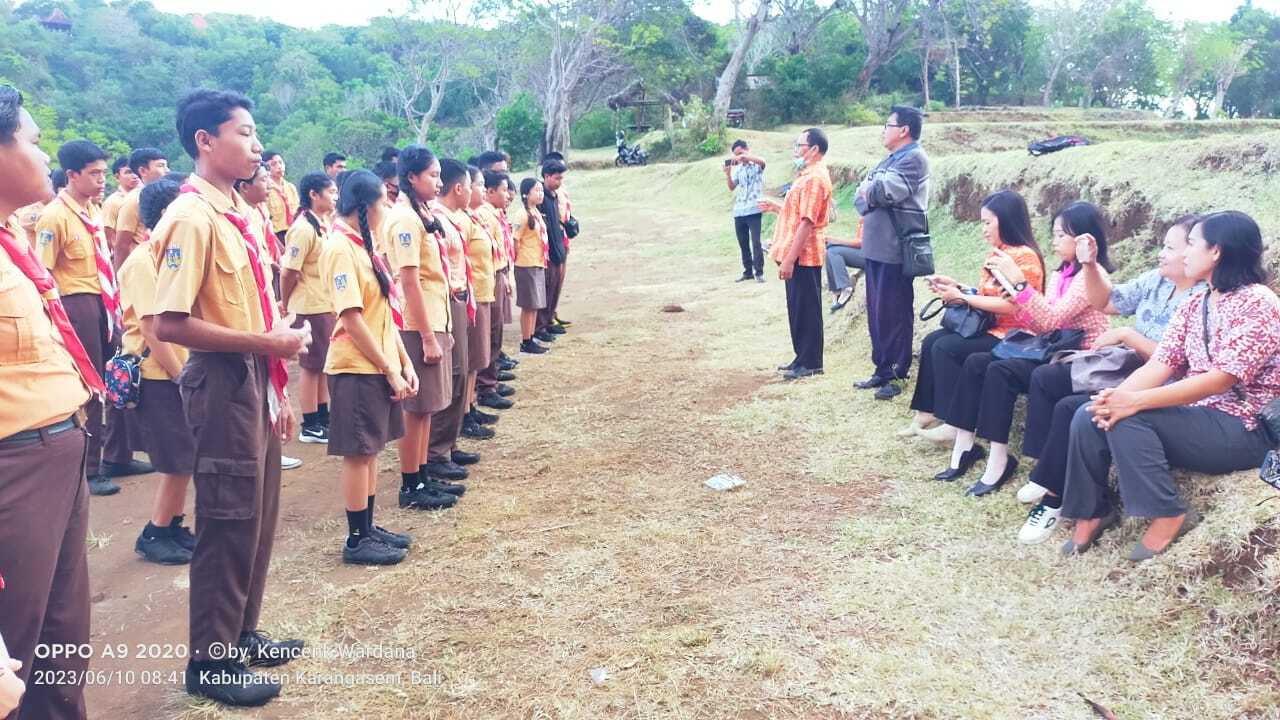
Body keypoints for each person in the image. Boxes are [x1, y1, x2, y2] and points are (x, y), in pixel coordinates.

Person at [153, 89, 308, 707]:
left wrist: (274, 375)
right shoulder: (190, 219)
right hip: (221, 382)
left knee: (259, 513)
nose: (255, 144)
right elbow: (168, 322)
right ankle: (210, 662)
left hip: (252, 379)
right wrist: (266, 342)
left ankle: (241, 633)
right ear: (204, 141)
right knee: (227, 518)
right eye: (244, 132)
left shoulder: (232, 213)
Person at [1061, 211, 1280, 561]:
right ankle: (1091, 512)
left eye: (1191, 244)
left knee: (1133, 417)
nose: (1184, 253)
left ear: (1217, 252)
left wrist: (1134, 403)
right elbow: (1164, 362)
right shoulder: (1197, 300)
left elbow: (1220, 379)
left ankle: (1168, 512)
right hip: (1201, 416)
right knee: (1089, 413)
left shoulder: (1259, 303)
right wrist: (1117, 397)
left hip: (1245, 427)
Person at [0, 82, 102, 720]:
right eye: (33, 142)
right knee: (13, 647)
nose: (44, 159)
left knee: (62, 640)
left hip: (60, 449)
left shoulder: (10, 240)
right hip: (14, 467)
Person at [1014, 214, 1205, 544]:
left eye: (1170, 247)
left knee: (1073, 409)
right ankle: (1046, 472)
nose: (1161, 253)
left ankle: (1059, 499)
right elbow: (1106, 300)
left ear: (1198, 252)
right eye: (1163, 245)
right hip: (1129, 366)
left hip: (1160, 381)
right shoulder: (1157, 281)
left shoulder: (1202, 298)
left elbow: (1176, 364)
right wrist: (1089, 266)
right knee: (1047, 377)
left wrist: (1129, 335)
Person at [939, 201, 1112, 494]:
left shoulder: (1089, 278)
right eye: (1054, 234)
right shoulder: (1061, 274)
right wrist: (1006, 290)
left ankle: (1009, 463)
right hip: (1051, 349)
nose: (1054, 242)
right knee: (980, 363)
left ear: (1085, 240)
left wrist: (1019, 285)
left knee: (1000, 369)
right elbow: (1042, 318)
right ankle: (973, 448)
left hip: (1077, 358)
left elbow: (1051, 319)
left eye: (1061, 235)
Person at [36, 139, 153, 496]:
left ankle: (118, 454)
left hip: (105, 301)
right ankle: (90, 467)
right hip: (78, 305)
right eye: (94, 174)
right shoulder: (55, 216)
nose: (102, 180)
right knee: (92, 384)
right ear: (71, 175)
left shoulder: (94, 210)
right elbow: (43, 272)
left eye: (104, 173)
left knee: (119, 374)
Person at [321, 169, 418, 565]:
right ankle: (356, 538)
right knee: (359, 452)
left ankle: (369, 525)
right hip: (355, 366)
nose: (388, 207)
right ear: (363, 205)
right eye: (383, 200)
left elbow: (382, 316)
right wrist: (388, 368)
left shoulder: (363, 246)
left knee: (373, 448)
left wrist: (403, 361)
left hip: (376, 363)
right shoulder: (340, 249)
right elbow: (352, 318)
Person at [905, 190, 1046, 443]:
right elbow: (986, 294)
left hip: (1013, 336)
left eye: (987, 222)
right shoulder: (997, 254)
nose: (983, 229)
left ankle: (953, 421)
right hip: (990, 328)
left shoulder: (1025, 257)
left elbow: (1012, 307)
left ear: (1007, 220)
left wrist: (963, 298)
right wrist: (957, 287)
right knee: (931, 341)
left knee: (947, 347)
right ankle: (927, 412)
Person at [115, 178, 200, 565]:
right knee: (176, 457)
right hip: (158, 373)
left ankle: (173, 525)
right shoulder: (142, 261)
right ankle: (155, 531)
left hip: (173, 369)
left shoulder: (166, 256)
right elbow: (151, 327)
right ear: (167, 214)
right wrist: (182, 376)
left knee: (184, 454)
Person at [384, 144, 464, 509]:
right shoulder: (403, 220)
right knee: (416, 409)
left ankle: (422, 476)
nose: (438, 181)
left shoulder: (421, 214)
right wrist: (429, 337)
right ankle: (411, 484)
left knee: (428, 405)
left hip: (435, 316)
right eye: (432, 175)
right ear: (412, 178)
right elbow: (410, 281)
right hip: (419, 325)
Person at [854, 105, 930, 400]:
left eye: (887, 125)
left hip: (895, 249)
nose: (883, 131)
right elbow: (861, 197)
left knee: (894, 311)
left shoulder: (914, 159)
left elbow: (885, 192)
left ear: (903, 130)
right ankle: (881, 369)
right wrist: (870, 190)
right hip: (876, 248)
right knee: (877, 311)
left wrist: (870, 189)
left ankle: (896, 373)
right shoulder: (890, 160)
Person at [757, 127, 833, 381]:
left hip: (805, 256)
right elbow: (798, 214)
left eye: (800, 145)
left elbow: (808, 222)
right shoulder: (806, 175)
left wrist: (790, 258)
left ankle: (811, 362)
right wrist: (777, 207)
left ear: (813, 149)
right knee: (798, 308)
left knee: (807, 308)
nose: (796, 150)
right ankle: (802, 357)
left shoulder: (814, 179)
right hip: (798, 253)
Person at [427, 159, 488, 471]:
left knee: (461, 373)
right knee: (452, 374)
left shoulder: (452, 217)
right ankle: (437, 452)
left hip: (461, 296)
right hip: (448, 299)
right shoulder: (436, 218)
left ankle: (447, 445)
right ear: (460, 187)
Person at [282, 172, 338, 444]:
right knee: (311, 365)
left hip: (323, 302)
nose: (335, 197)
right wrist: (286, 301)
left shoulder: (322, 224)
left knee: (323, 362)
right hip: (308, 304)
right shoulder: (303, 229)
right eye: (330, 192)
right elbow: (289, 271)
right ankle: (310, 423)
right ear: (314, 195)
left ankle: (324, 416)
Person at [463, 166, 511, 429]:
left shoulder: (474, 217)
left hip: (486, 285)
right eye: (478, 185)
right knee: (474, 354)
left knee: (485, 344)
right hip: (474, 291)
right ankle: (475, 399)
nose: (479, 189)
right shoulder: (463, 219)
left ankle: (472, 405)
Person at [475, 169, 518, 410]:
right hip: (489, 277)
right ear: (490, 192)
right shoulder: (484, 215)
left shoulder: (495, 214)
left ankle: (490, 379)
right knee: (489, 333)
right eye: (503, 190)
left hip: (498, 273)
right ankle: (486, 385)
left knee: (496, 330)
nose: (508, 195)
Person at [111, 146, 170, 268]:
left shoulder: (167, 195)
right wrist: (121, 280)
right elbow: (121, 244)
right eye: (160, 166)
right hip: (143, 267)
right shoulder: (134, 200)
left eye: (166, 165)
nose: (167, 170)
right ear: (143, 171)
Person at [514, 178, 551, 356]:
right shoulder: (522, 214)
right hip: (526, 263)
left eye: (541, 190)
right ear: (526, 194)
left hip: (537, 261)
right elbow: (515, 240)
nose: (540, 194)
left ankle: (532, 335)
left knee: (536, 303)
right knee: (528, 304)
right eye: (536, 190)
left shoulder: (535, 212)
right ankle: (526, 340)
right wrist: (517, 259)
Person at [723, 138, 766, 282]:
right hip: (739, 210)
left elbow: (763, 161)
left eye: (740, 153)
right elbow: (731, 187)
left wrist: (745, 157)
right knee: (743, 243)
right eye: (736, 155)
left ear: (747, 149)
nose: (739, 157)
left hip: (754, 209)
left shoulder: (757, 165)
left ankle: (759, 272)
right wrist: (728, 174)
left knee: (756, 242)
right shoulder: (739, 169)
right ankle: (748, 271)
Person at [535, 157, 568, 342]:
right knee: (545, 290)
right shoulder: (540, 197)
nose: (559, 182)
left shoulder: (554, 196)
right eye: (557, 178)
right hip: (546, 252)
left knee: (554, 289)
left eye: (561, 179)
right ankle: (539, 327)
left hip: (557, 249)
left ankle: (548, 322)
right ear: (546, 176)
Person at [100, 155, 139, 254]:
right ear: (117, 177)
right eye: (128, 172)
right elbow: (109, 237)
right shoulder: (112, 202)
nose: (134, 175)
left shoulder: (142, 198)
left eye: (136, 171)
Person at [826, 217, 865, 312]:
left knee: (834, 251)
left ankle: (846, 287)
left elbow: (862, 243)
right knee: (830, 250)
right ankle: (836, 291)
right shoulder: (865, 214)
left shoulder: (873, 214)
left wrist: (835, 240)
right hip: (865, 253)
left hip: (874, 257)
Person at [263, 150, 299, 246]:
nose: (279, 166)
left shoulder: (290, 187)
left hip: (295, 232)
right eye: (273, 164)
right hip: (277, 236)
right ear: (266, 167)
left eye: (281, 162)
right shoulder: (266, 190)